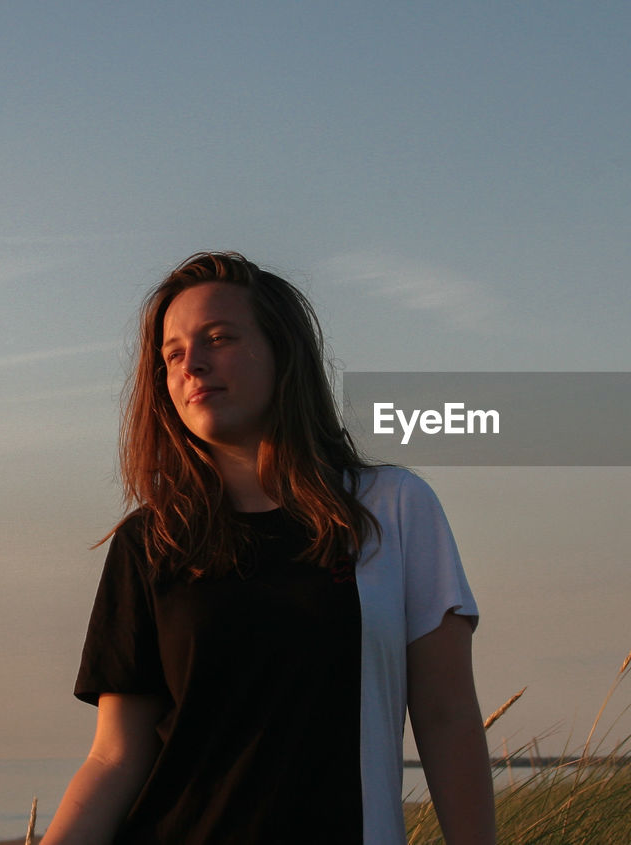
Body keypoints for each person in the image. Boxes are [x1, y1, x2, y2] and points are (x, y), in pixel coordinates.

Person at [44, 252, 495, 844]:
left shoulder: (392, 510)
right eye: (173, 354)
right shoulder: (151, 540)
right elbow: (114, 758)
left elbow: (448, 719)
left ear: (284, 353)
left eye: (219, 338)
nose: (193, 365)